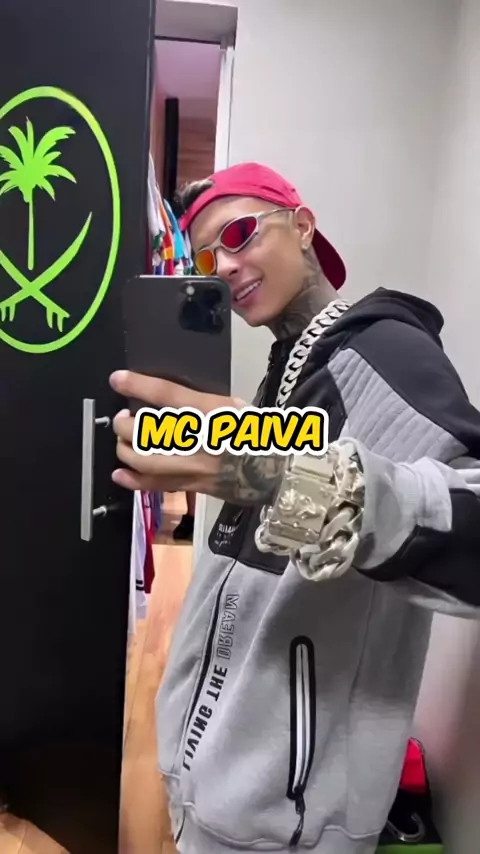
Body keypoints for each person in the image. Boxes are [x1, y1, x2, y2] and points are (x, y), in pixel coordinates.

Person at [109, 162, 480, 854]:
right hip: (214, 783)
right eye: (207, 259)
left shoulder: (384, 351)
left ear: (303, 226)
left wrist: (286, 479)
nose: (225, 267)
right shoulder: (287, 368)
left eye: (240, 234)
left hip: (290, 819)